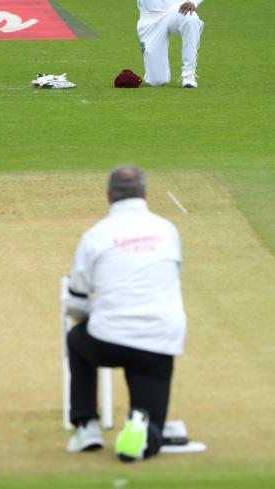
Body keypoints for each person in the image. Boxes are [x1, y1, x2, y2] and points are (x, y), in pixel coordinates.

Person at [63, 165, 186, 462]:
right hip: (159, 340)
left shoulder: (95, 236)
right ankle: (141, 427)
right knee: (151, 422)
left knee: (76, 339)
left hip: (108, 339)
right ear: (145, 194)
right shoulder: (167, 230)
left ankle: (87, 426)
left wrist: (93, 317)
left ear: (108, 196)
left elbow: (76, 300)